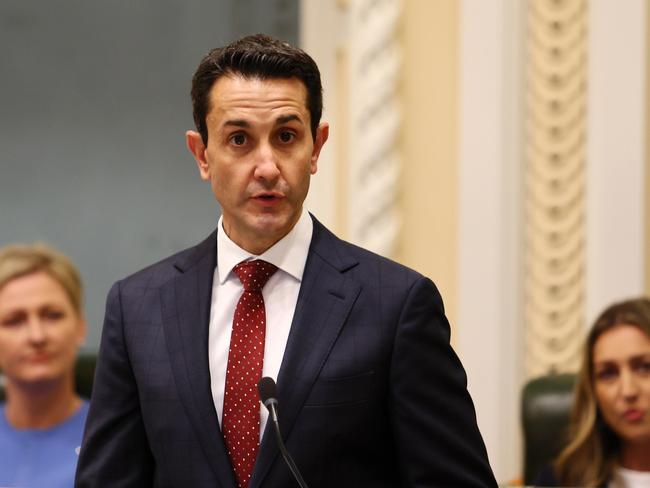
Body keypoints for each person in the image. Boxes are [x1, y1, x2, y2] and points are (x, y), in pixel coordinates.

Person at [75, 34, 496, 487]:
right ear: (202, 155)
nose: (267, 166)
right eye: (239, 139)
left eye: (286, 137)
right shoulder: (139, 307)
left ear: (315, 147)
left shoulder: (395, 304)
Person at [535, 297, 650, 487]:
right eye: (608, 374)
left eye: (645, 367)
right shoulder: (560, 480)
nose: (628, 391)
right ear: (592, 390)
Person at [0, 243, 89, 488]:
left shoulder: (117, 438)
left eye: (52, 315)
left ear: (80, 326)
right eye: (14, 321)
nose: (37, 336)